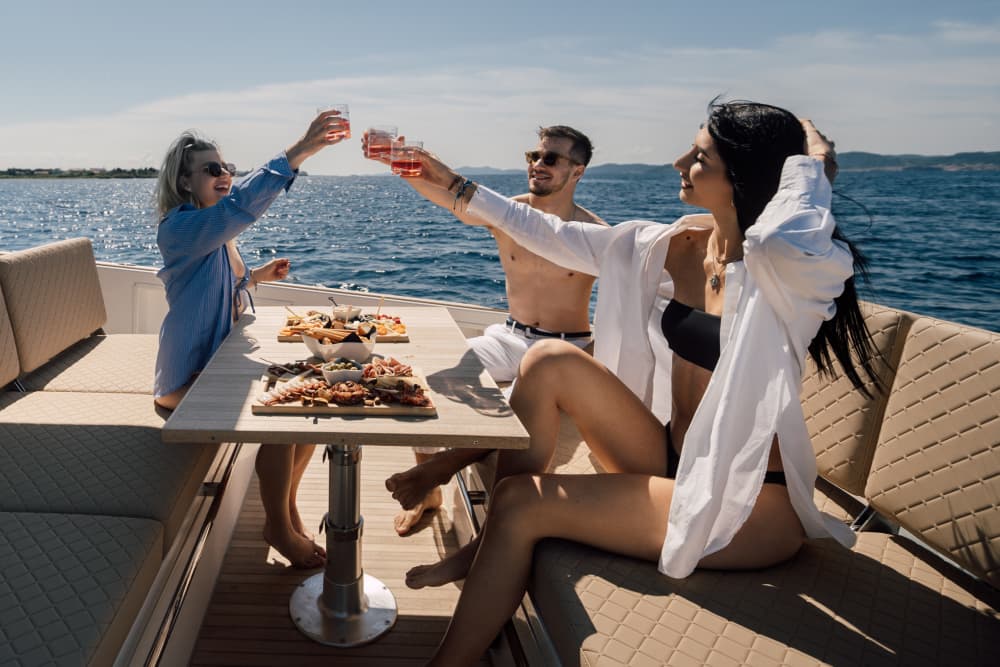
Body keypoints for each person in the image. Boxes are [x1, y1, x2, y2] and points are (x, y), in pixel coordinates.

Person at [398, 100, 882, 665]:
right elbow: (547, 231)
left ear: (745, 178)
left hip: (747, 502)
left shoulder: (786, 272)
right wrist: (451, 183)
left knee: (519, 502)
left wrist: (815, 161)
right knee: (549, 358)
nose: (679, 161)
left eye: (700, 156)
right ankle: (486, 545)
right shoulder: (675, 246)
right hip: (670, 455)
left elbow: (785, 235)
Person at [367, 126, 608, 535]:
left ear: (578, 172)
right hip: (509, 336)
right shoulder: (507, 213)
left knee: (513, 414)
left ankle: (444, 471)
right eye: (534, 155)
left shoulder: (592, 234)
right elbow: (449, 198)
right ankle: (429, 494)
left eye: (551, 158)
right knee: (421, 379)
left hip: (562, 350)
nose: (537, 164)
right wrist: (397, 163)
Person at [153, 110, 346, 568]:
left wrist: (256, 277)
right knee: (286, 416)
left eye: (227, 167)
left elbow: (226, 289)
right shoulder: (181, 228)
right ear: (184, 182)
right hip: (187, 375)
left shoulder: (216, 234)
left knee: (312, 396)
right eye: (212, 169)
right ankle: (278, 526)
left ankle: (288, 506)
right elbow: (241, 206)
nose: (225, 175)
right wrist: (298, 152)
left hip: (218, 361)